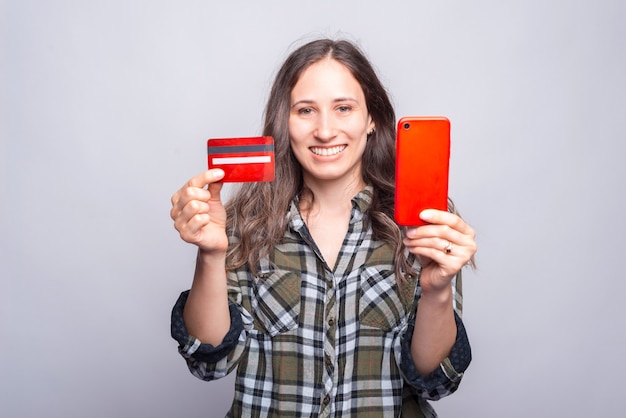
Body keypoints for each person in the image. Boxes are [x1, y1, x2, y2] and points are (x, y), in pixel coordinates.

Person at [169, 38, 477, 417]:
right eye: (306, 110)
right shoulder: (245, 221)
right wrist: (211, 254)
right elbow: (209, 362)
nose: (325, 131)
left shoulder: (425, 222)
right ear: (285, 121)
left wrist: (437, 291)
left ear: (371, 119)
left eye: (344, 108)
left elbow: (435, 382)